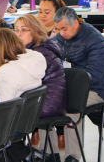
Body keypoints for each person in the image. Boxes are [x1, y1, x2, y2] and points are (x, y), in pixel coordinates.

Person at [54, 7, 104, 162]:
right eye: (58, 29)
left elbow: (94, 75)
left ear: (75, 23)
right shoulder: (61, 37)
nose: (61, 33)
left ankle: (72, 156)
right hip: (69, 87)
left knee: (70, 108)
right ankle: (47, 152)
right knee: (48, 104)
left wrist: (68, 71)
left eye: (64, 28)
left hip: (96, 89)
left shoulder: (95, 40)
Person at [15, 15, 67, 162]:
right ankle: (22, 154)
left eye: (24, 30)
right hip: (43, 99)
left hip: (48, 103)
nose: (18, 33)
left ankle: (21, 155)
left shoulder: (39, 53)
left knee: (6, 115)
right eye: (16, 29)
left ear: (35, 32)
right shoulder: (34, 49)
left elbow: (23, 82)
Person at [0, 27, 46, 101]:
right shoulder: (31, 62)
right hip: (26, 111)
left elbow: (1, 104)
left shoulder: (8, 72)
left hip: (12, 112)